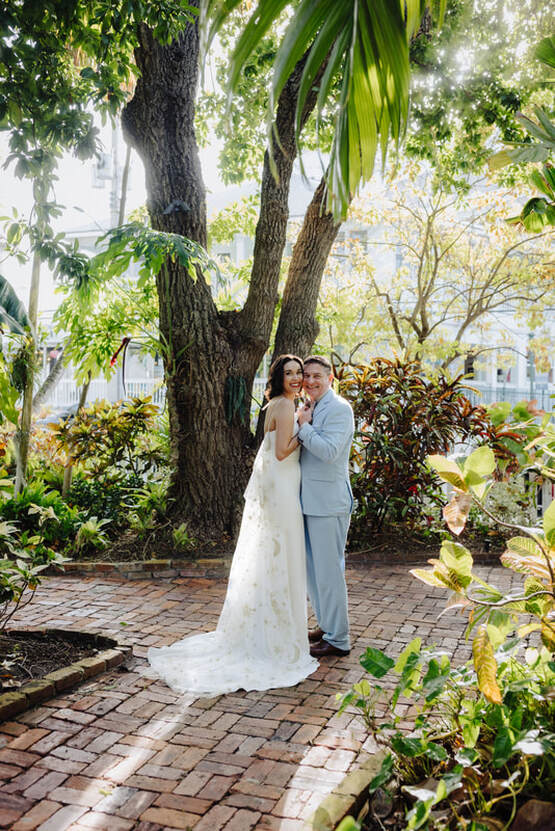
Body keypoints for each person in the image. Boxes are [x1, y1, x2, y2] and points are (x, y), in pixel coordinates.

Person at [147, 355, 318, 697]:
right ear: (279, 377)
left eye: (299, 372)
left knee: (272, 552)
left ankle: (269, 624)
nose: (297, 378)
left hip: (277, 483)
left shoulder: (277, 403)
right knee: (283, 551)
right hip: (282, 484)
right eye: (290, 373)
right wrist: (305, 425)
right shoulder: (286, 407)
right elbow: (284, 452)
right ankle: (277, 634)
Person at [297, 355, 354, 658]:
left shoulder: (340, 409)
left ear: (330, 378)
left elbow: (330, 452)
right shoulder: (311, 407)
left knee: (329, 571)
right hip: (309, 502)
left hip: (329, 503)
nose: (311, 381)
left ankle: (339, 639)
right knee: (314, 571)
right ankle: (327, 625)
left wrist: (304, 427)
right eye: (307, 376)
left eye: (317, 376)